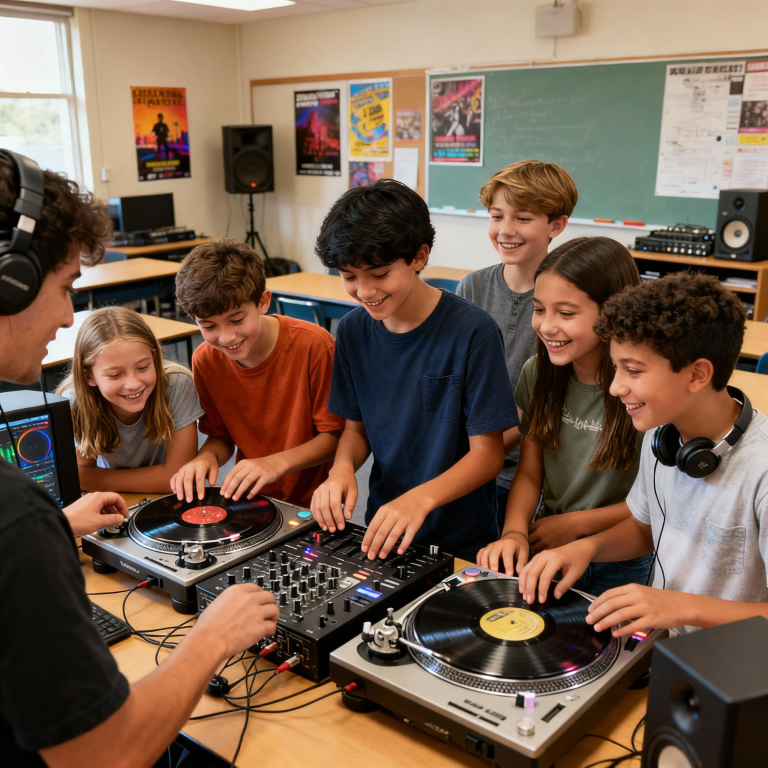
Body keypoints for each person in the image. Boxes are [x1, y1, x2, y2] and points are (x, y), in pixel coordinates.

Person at [0, 150, 278, 767]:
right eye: (65, 285)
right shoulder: (13, 516)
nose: (68, 315)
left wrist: (55, 525)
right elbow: (108, 754)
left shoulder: (23, 521)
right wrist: (211, 639)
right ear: (10, 281)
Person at [518, 272, 768, 637]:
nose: (617, 387)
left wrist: (680, 606)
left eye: (633, 370)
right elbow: (644, 527)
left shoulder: (760, 470)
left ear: (697, 374)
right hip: (670, 649)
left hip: (736, 668)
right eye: (617, 367)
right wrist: (585, 548)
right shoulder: (662, 438)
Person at [311, 180, 518, 562]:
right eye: (349, 276)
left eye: (379, 273)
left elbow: (487, 456)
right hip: (385, 529)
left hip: (462, 537)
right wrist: (340, 470)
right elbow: (355, 431)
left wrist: (419, 500)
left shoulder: (473, 331)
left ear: (419, 256)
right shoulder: (353, 330)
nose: (364, 290)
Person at [477, 237, 654, 595]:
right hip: (550, 543)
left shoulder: (643, 388)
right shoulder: (538, 372)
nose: (546, 326)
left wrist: (575, 524)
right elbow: (528, 473)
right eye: (539, 309)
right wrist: (513, 530)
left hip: (621, 553)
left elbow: (657, 503)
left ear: (612, 312)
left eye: (567, 313)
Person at [172, 238, 344, 506]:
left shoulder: (315, 346)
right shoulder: (205, 360)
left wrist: (275, 463)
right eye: (208, 326)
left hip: (316, 504)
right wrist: (206, 457)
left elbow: (335, 437)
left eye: (237, 320)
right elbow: (220, 437)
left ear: (263, 302)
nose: (226, 337)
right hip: (253, 500)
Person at [457, 160, 576, 526]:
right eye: (496, 216)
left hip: (526, 471)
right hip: (468, 460)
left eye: (522, 218)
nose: (505, 230)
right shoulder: (472, 287)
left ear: (556, 224)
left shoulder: (566, 302)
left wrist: (480, 452)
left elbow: (545, 398)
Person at [55, 306, 202, 493]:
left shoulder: (177, 384)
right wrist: (162, 478)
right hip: (113, 501)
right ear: (88, 377)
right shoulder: (74, 402)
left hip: (166, 500)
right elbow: (77, 474)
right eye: (115, 375)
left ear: (154, 358)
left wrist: (94, 479)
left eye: (142, 367)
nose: (133, 384)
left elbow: (178, 476)